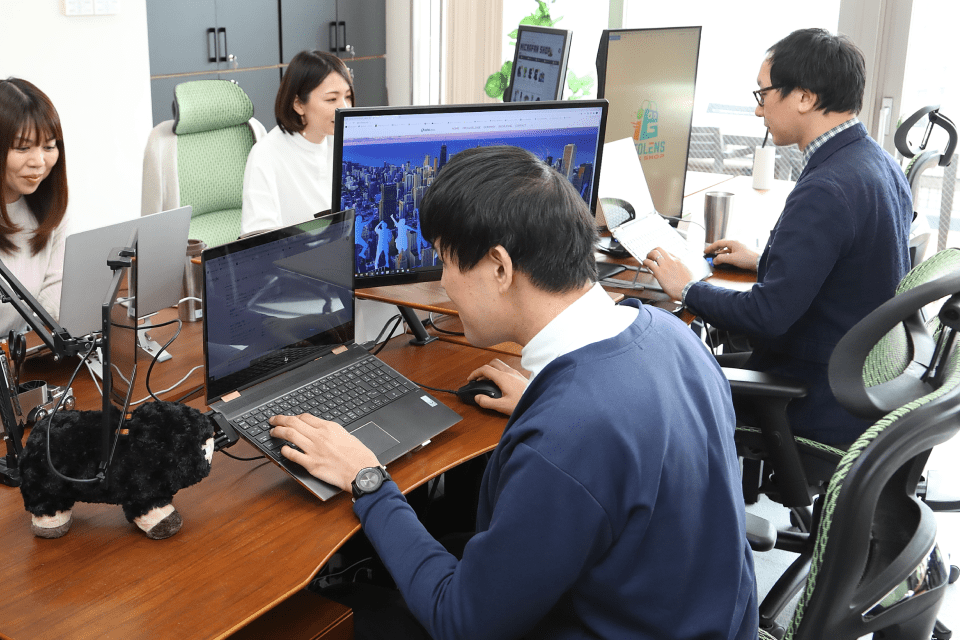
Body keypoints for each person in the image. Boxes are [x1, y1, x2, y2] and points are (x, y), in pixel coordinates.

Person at [269, 146, 758, 639]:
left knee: (332, 615)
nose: (443, 283)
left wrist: (366, 478)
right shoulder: (670, 335)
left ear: (500, 268)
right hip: (696, 618)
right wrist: (540, 400)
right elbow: (629, 449)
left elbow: (461, 622)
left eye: (445, 262)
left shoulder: (568, 436)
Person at [646, 28, 913, 446]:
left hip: (815, 394)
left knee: (656, 381)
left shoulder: (827, 188)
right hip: (855, 377)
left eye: (764, 94)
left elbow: (767, 316)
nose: (758, 110)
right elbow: (853, 262)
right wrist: (764, 261)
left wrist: (688, 289)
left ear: (804, 97)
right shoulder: (876, 161)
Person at [241, 50, 354, 236]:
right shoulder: (266, 154)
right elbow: (258, 235)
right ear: (298, 104)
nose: (345, 107)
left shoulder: (342, 143)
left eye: (347, 97)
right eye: (331, 99)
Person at [0, 78, 69, 336]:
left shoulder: (51, 206)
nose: (39, 161)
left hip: (26, 350)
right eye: (23, 147)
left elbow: (55, 287)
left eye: (49, 146)